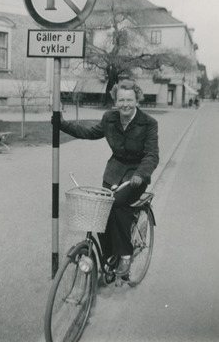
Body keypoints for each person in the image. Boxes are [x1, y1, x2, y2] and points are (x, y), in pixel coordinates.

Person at [60, 79, 159, 277]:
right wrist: (62, 125)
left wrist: (140, 174)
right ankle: (109, 255)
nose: (125, 104)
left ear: (136, 99)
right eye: (121, 100)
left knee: (119, 205)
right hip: (113, 173)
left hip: (135, 176)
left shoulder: (148, 123)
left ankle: (124, 255)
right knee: (101, 211)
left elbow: (151, 155)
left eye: (129, 100)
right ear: (115, 100)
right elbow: (89, 133)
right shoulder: (109, 118)